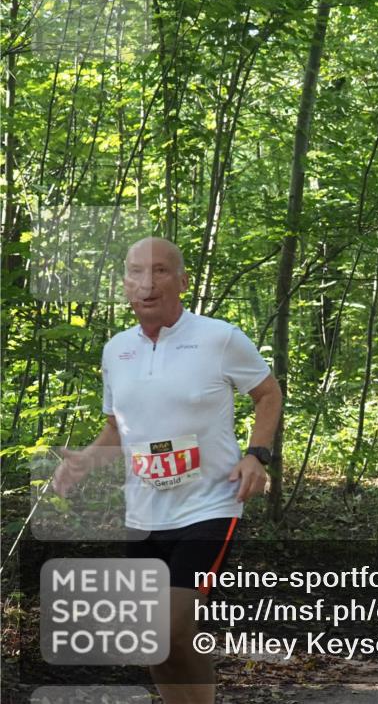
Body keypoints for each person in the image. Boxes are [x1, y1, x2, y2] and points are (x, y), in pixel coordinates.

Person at [53, 237, 283, 704]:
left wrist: (256, 454)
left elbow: (269, 393)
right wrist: (85, 459)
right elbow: (118, 429)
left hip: (209, 505)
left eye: (159, 271)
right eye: (136, 272)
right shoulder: (116, 350)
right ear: (124, 284)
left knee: (172, 622)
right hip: (144, 511)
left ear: (182, 281)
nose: (147, 283)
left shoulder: (219, 338)